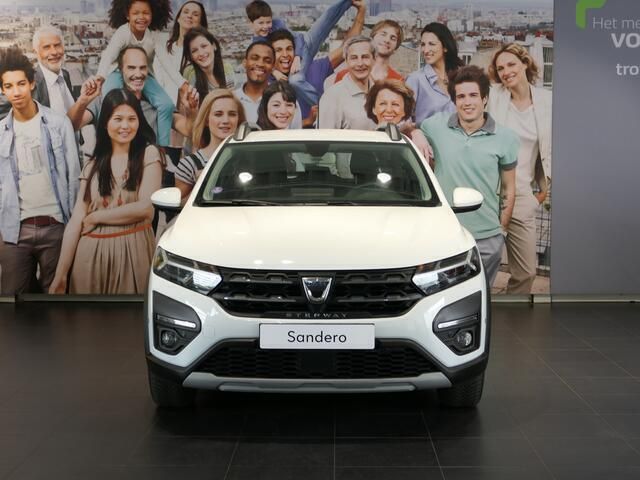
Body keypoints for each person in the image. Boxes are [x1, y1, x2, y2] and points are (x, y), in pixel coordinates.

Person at [49, 89, 163, 295]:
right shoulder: (92, 165)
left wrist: (97, 217)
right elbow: (76, 220)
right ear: (105, 123)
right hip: (89, 258)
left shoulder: (148, 154)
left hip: (133, 253)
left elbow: (146, 209)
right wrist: (61, 274)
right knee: (87, 315)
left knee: (130, 314)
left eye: (132, 119)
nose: (125, 126)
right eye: (118, 119)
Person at [420, 66, 519, 285]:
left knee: (481, 294)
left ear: (484, 99)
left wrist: (502, 229)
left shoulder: (506, 138)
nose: (467, 102)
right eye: (461, 96)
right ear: (454, 100)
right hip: (446, 232)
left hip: (487, 237)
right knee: (443, 293)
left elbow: (509, 188)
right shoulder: (435, 126)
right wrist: (417, 133)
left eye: (473, 95)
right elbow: (410, 128)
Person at [0, 48, 80, 295]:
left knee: (57, 300)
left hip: (55, 226)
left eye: (21, 83)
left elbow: (74, 179)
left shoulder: (59, 124)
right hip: (15, 230)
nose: (16, 92)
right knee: (12, 301)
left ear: (32, 83)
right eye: (9, 86)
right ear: (2, 90)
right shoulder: (1, 133)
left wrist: (71, 228)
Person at [488, 43, 552, 294]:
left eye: (511, 64)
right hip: (487, 189)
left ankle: (510, 310)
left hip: (523, 193)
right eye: (500, 68)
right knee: (480, 265)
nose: (506, 72)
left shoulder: (547, 101)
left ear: (525, 64)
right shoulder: (493, 96)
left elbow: (551, 149)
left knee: (526, 272)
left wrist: (542, 194)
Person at [267, 0, 366, 126]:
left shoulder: (313, 68)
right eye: (278, 50)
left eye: (289, 49)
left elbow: (347, 48)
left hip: (323, 134)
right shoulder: (266, 82)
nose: (285, 54)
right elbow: (268, 125)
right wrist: (307, 121)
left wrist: (361, 11)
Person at [245, 0, 354, 110]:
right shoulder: (257, 44)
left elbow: (297, 38)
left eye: (268, 22)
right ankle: (325, 105)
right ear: (250, 23)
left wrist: (297, 57)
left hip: (303, 47)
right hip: (299, 55)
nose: (266, 26)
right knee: (295, 81)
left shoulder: (277, 24)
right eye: (261, 23)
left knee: (327, 18)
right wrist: (274, 71)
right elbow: (263, 64)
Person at [95, 0, 175, 146]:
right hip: (117, 72)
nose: (141, 17)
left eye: (146, 13)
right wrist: (100, 76)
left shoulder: (153, 36)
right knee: (109, 100)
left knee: (167, 105)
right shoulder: (123, 32)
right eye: (136, 13)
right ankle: (104, 144)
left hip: (143, 75)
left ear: (153, 14)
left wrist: (182, 84)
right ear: (127, 15)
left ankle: (163, 147)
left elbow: (167, 63)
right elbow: (109, 55)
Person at [175, 89, 246, 198]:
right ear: (207, 120)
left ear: (238, 119)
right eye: (218, 114)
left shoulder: (250, 157)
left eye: (232, 114)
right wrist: (201, 187)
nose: (226, 120)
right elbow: (179, 203)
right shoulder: (190, 164)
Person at [234, 41, 302, 128]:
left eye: (267, 61)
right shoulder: (233, 99)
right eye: (255, 58)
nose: (260, 64)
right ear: (245, 63)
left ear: (273, 67)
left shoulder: (287, 100)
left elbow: (296, 134)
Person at [406, 22, 463, 126]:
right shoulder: (415, 79)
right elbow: (404, 118)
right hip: (426, 136)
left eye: (431, 44)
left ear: (445, 47)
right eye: (423, 44)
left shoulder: (461, 77)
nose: (425, 50)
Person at [318, 35, 377, 131]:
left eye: (365, 57)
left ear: (374, 59)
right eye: (354, 58)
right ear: (346, 61)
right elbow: (325, 137)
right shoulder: (332, 96)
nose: (360, 63)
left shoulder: (380, 92)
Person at [332, 19, 405, 85]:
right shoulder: (345, 76)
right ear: (372, 38)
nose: (387, 40)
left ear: (396, 48)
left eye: (393, 38)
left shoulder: (398, 81)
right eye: (383, 34)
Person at [180, 27, 227, 102]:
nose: (201, 53)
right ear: (191, 57)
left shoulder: (227, 69)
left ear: (214, 46)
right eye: (194, 51)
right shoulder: (190, 73)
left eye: (204, 46)